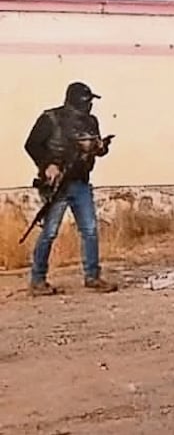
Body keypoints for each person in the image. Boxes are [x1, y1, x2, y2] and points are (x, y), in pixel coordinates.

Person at [23, 81, 118, 295]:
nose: (89, 105)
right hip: (57, 186)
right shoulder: (50, 118)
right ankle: (37, 280)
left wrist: (101, 148)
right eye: (86, 100)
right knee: (49, 232)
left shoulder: (91, 122)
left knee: (90, 230)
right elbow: (31, 144)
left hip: (81, 182)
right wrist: (49, 164)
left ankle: (92, 277)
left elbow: (94, 150)